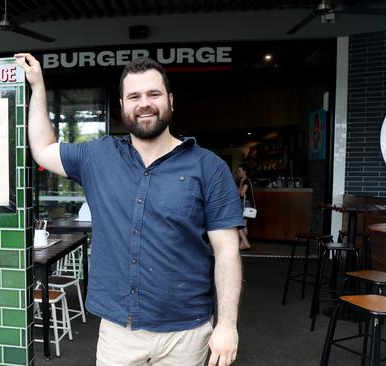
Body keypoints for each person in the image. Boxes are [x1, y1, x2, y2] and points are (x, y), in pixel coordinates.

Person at [16, 53, 243, 366]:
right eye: (134, 96)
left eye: (154, 94)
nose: (144, 103)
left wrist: (227, 325)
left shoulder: (209, 167)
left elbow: (227, 251)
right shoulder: (98, 157)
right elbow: (42, 150)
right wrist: (38, 87)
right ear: (122, 104)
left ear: (170, 101)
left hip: (186, 333)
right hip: (119, 332)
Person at [237, 164, 252, 250]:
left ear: (245, 171)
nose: (238, 173)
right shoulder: (243, 180)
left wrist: (236, 190)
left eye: (240, 171)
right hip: (244, 203)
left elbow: (242, 193)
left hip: (245, 204)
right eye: (238, 171)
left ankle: (245, 243)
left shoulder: (246, 181)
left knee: (242, 224)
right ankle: (244, 244)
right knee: (244, 224)